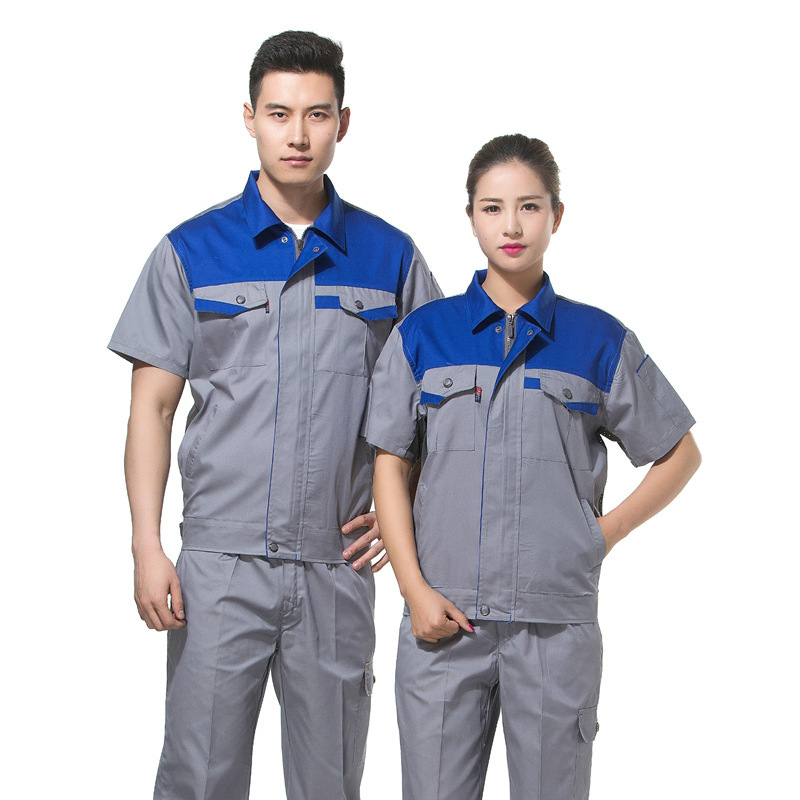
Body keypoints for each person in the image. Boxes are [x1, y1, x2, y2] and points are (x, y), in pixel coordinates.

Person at [109, 30, 440, 800]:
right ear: (250, 118)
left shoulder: (390, 258)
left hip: (337, 562)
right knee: (199, 778)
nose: (298, 134)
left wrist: (406, 509)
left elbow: (437, 405)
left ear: (342, 123)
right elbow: (152, 408)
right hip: (218, 566)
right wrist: (146, 546)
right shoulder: (190, 251)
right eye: (280, 113)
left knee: (329, 783)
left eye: (317, 114)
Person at [366, 134, 701, 800]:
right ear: (470, 217)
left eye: (529, 206)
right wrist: (413, 590)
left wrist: (601, 535)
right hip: (443, 621)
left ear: (557, 215)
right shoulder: (423, 335)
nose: (511, 226)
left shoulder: (598, 338)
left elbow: (679, 453)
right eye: (492, 208)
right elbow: (390, 466)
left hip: (554, 626)